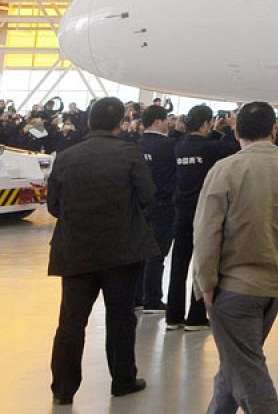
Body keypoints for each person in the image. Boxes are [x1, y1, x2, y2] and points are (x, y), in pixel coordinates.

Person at [191, 101, 278, 414]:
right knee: (236, 364)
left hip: (232, 289)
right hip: (273, 287)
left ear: (236, 131)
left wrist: (205, 281)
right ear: (274, 130)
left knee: (248, 372)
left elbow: (207, 231)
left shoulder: (226, 169)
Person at [46, 96, 156, 404]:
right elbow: (147, 195)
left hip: (76, 250)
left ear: (89, 120)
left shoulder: (66, 156)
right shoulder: (130, 153)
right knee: (121, 317)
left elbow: (54, 205)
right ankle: (123, 379)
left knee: (71, 321)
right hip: (122, 250)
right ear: (121, 123)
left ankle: (63, 389)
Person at [170, 104, 239, 331]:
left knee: (179, 264)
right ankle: (196, 316)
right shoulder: (212, 147)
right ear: (205, 124)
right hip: (203, 212)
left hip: (180, 210)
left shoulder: (179, 146)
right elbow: (234, 148)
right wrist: (230, 127)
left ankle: (173, 316)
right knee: (202, 262)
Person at [137, 105, 178, 315]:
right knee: (157, 253)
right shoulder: (170, 146)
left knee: (139, 251)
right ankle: (152, 299)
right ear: (158, 121)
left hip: (139, 206)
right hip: (163, 205)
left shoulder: (135, 145)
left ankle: (137, 296)